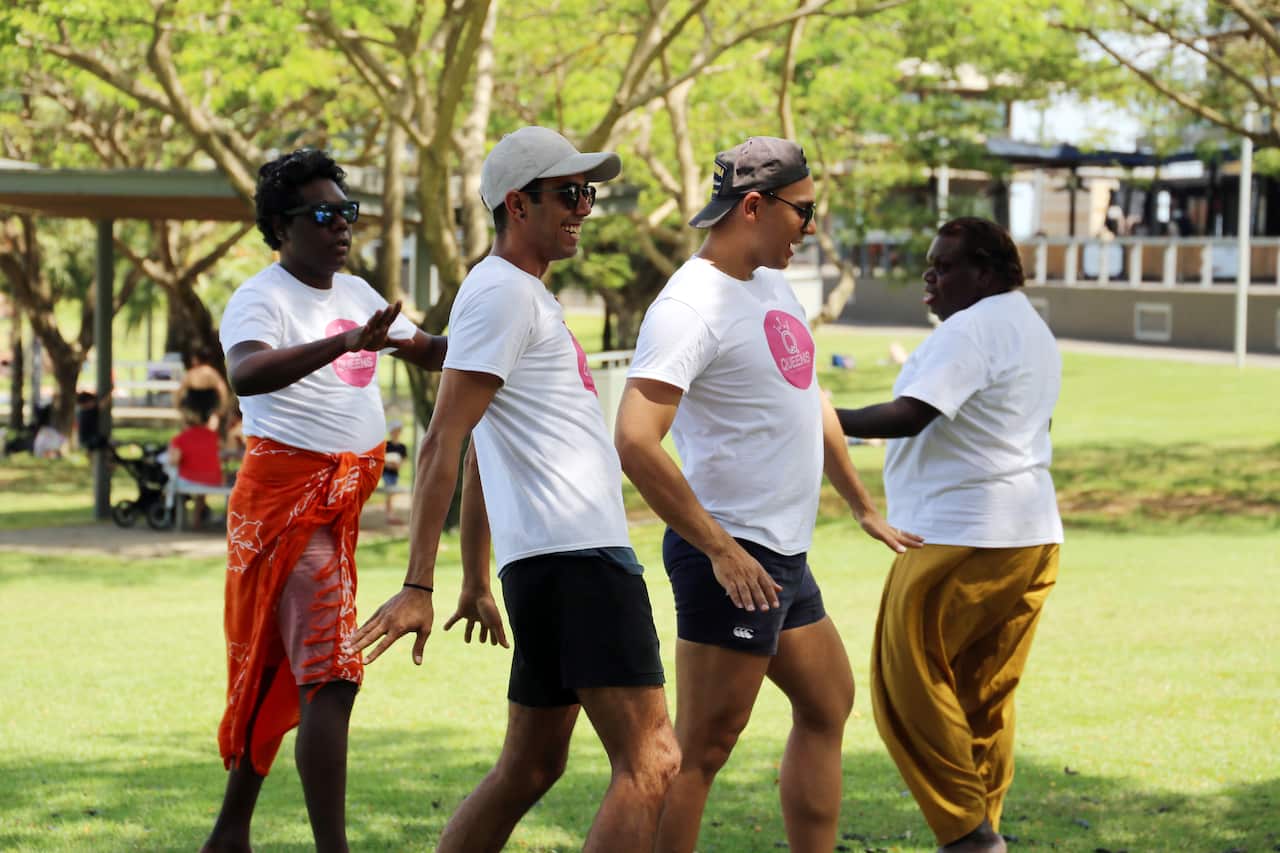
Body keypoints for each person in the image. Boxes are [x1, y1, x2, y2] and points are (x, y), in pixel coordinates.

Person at [350, 126, 680, 852]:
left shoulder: (519, 295)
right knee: (653, 759)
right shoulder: (504, 293)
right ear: (517, 204)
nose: (584, 207)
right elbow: (442, 440)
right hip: (580, 562)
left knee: (530, 766)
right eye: (568, 193)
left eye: (587, 193)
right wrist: (418, 583)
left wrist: (475, 576)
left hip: (549, 565)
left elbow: (482, 451)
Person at [614, 136, 920, 852]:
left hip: (782, 552)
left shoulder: (772, 287)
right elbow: (633, 439)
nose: (810, 228)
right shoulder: (690, 306)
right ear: (753, 206)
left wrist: (861, 504)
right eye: (803, 212)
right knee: (702, 748)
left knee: (828, 700)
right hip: (733, 554)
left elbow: (811, 401)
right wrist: (720, 550)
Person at [201, 148, 447, 853]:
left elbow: (431, 351)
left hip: (335, 513)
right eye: (323, 214)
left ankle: (228, 835)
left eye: (348, 212)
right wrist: (343, 344)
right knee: (332, 675)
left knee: (278, 669)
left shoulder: (359, 293)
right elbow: (246, 372)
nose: (342, 225)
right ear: (282, 226)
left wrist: (508, 333)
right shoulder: (263, 298)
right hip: (286, 512)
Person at [835, 217, 1063, 853]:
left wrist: (819, 415)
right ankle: (983, 824)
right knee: (982, 695)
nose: (929, 277)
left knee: (905, 687)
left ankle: (968, 833)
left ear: (985, 274)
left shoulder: (974, 328)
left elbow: (910, 415)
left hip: (960, 534)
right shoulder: (1030, 328)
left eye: (945, 266)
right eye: (929, 265)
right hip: (1033, 536)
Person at [168, 411, 224, 528]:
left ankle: (180, 518)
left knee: (173, 481)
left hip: (190, 478)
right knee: (201, 487)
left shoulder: (180, 438)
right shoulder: (213, 436)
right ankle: (196, 520)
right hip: (213, 479)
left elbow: (174, 461)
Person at [178, 346, 230, 428]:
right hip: (210, 407)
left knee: (193, 429)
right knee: (209, 430)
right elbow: (223, 392)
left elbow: (179, 392)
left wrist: (179, 407)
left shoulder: (191, 374)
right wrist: (221, 409)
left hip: (193, 408)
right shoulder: (213, 373)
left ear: (196, 359)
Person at [382, 419, 407, 524]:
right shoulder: (386, 445)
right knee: (390, 493)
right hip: (387, 473)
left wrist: (398, 465)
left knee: (392, 494)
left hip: (395, 474)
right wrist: (389, 464)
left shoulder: (402, 447)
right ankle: (389, 515)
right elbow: (382, 459)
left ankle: (390, 514)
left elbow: (404, 460)